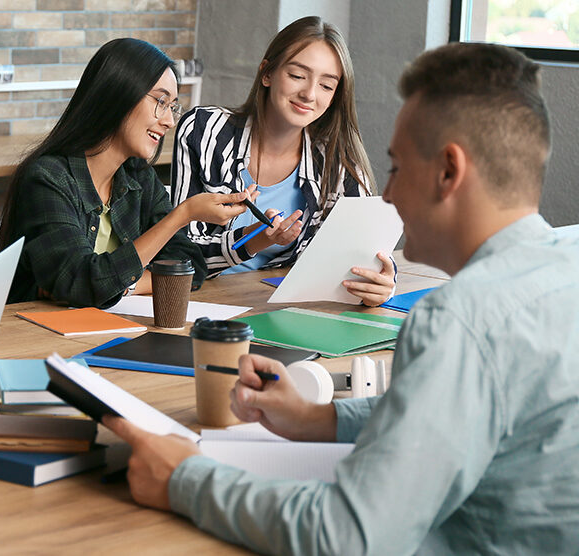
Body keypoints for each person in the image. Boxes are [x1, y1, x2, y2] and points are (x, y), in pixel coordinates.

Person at [106, 42, 579, 553]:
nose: (389, 195)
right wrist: (320, 419)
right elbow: (446, 414)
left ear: (448, 171)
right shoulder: (567, 264)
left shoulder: (457, 321)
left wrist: (184, 479)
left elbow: (347, 535)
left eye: (396, 167)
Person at [0, 38, 255, 309]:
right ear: (118, 93)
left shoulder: (138, 177)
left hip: (108, 329)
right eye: (161, 102)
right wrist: (182, 215)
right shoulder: (48, 178)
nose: (169, 121)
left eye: (172, 107)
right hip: (32, 335)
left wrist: (124, 285)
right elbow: (81, 283)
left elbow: (190, 266)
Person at [171, 16, 395, 306]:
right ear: (267, 73)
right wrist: (253, 242)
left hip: (279, 305)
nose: (309, 94)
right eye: (298, 76)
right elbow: (178, 253)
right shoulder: (205, 131)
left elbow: (367, 252)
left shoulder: (337, 160)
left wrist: (383, 283)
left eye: (327, 86)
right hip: (198, 302)